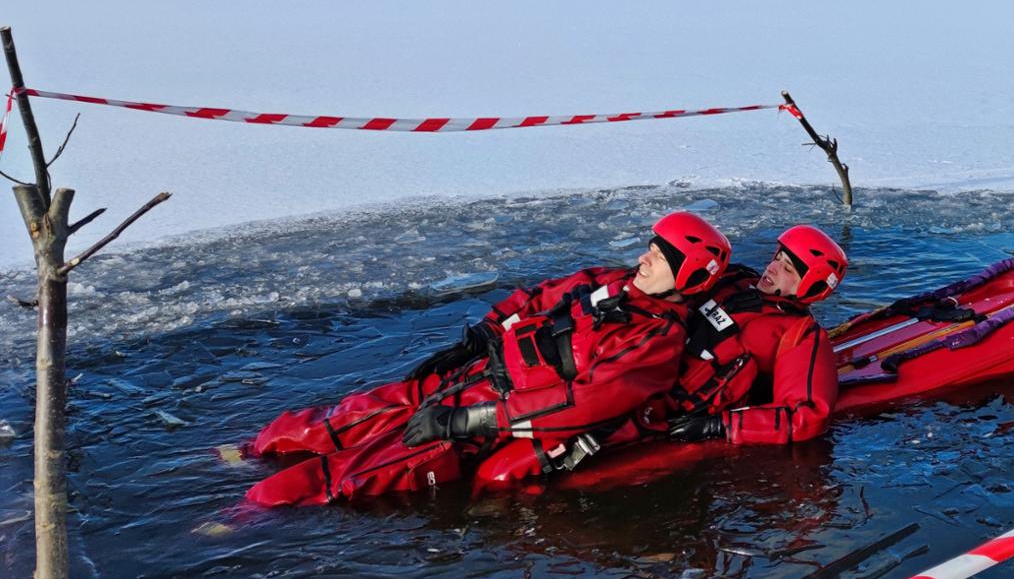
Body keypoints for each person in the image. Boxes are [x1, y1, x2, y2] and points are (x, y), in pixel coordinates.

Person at [244, 211, 732, 506]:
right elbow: (538, 297)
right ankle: (250, 453)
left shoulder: (655, 341)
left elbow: (580, 404)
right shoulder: (611, 281)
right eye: (650, 246)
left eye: (659, 256)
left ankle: (245, 516)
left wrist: (466, 422)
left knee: (372, 470)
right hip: (481, 372)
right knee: (360, 411)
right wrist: (481, 334)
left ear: (687, 275)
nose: (644, 257)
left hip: (502, 411)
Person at [472, 225, 848, 486]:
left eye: (787, 268)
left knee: (499, 472)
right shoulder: (737, 279)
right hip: (616, 364)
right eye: (777, 257)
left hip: (655, 409)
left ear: (813, 284)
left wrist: (721, 427)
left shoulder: (801, 336)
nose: (772, 267)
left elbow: (806, 415)